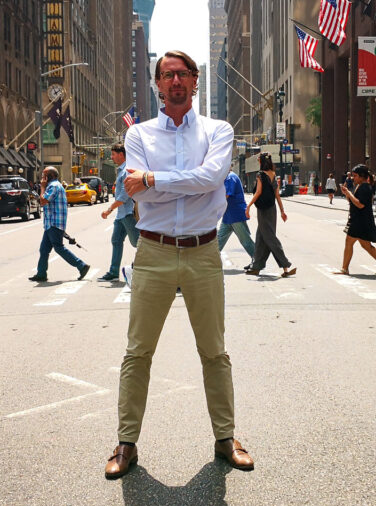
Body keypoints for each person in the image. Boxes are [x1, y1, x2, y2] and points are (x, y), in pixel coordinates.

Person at [104, 50, 253, 480]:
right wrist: (160, 185)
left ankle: (226, 439)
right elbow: (139, 194)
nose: (175, 81)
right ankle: (126, 443)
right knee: (138, 352)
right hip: (153, 252)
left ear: (194, 80)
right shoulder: (139, 136)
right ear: (157, 84)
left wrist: (153, 179)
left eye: (183, 74)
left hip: (204, 251)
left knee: (214, 352)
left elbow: (211, 179)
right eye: (167, 75)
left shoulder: (217, 130)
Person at [28, 167, 90, 282]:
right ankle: (41, 273)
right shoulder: (54, 186)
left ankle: (81, 266)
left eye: (44, 175)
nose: (42, 178)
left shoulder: (53, 186)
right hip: (50, 224)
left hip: (54, 223)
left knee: (59, 248)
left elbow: (43, 201)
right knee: (44, 250)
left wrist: (42, 187)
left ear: (49, 176)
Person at [245, 152, 296, 278]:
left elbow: (258, 192)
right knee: (260, 238)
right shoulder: (273, 174)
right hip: (272, 209)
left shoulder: (260, 175)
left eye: (258, 159)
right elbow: (277, 195)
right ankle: (256, 267)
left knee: (270, 238)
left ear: (261, 162)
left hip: (263, 210)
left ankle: (285, 266)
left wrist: (249, 206)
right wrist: (282, 211)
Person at [335, 165, 376, 275]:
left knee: (349, 242)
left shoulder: (365, 187)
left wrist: (349, 194)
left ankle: (344, 269)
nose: (353, 178)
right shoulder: (360, 186)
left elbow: (360, 205)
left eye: (355, 176)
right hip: (360, 220)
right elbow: (353, 202)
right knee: (366, 245)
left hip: (360, 221)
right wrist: (347, 193)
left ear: (362, 176)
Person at [99, 143, 139, 281]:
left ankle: (143, 269)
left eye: (113, 154)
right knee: (116, 241)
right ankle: (113, 272)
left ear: (121, 154)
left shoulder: (126, 171)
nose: (112, 157)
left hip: (128, 214)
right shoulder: (121, 171)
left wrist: (108, 210)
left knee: (138, 243)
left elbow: (124, 196)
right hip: (121, 215)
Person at [217, 171, 255, 262]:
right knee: (219, 239)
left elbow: (226, 195)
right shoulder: (226, 177)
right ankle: (209, 261)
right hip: (228, 216)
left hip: (236, 215)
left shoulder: (230, 177)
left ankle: (257, 260)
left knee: (245, 240)